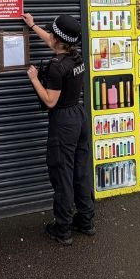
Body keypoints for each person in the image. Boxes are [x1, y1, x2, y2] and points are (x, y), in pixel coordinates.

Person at [23, 12, 95, 245]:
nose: (49, 37)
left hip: (63, 121)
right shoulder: (76, 57)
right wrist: (33, 26)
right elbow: (53, 41)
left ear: (57, 39)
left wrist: (34, 78)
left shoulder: (56, 67)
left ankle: (62, 228)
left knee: (62, 173)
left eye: (51, 34)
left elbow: (50, 101)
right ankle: (85, 220)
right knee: (80, 171)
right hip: (79, 116)